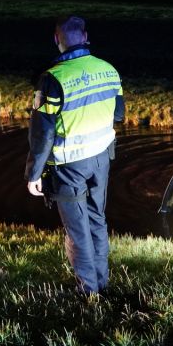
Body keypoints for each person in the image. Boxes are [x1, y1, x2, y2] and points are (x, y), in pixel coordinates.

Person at [25, 16, 124, 294]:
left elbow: (41, 134)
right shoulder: (109, 70)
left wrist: (34, 174)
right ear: (85, 36)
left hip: (70, 165)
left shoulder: (52, 79)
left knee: (77, 228)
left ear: (57, 40)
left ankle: (87, 291)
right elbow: (118, 114)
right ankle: (101, 281)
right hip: (102, 158)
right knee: (97, 219)